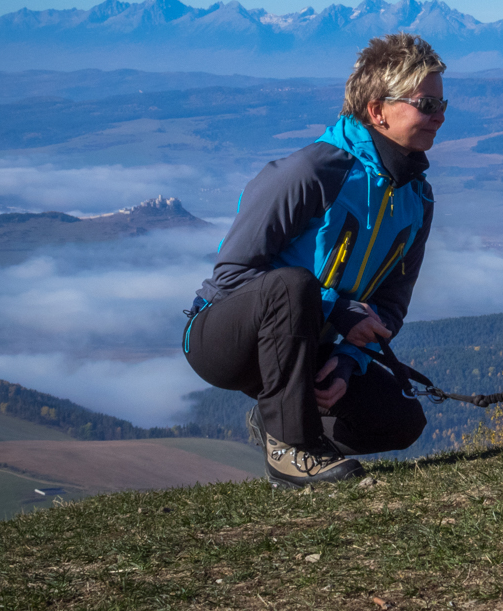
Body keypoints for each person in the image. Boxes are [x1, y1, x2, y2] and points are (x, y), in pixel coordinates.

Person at [182, 33, 446, 487]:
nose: (438, 118)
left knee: (400, 420)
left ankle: (279, 420)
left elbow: (390, 304)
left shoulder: (416, 199)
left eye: (443, 106)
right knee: (293, 285)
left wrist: (345, 362)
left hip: (309, 348)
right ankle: (291, 450)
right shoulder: (311, 173)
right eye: (425, 104)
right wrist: (337, 309)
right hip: (224, 340)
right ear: (377, 110)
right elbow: (232, 274)